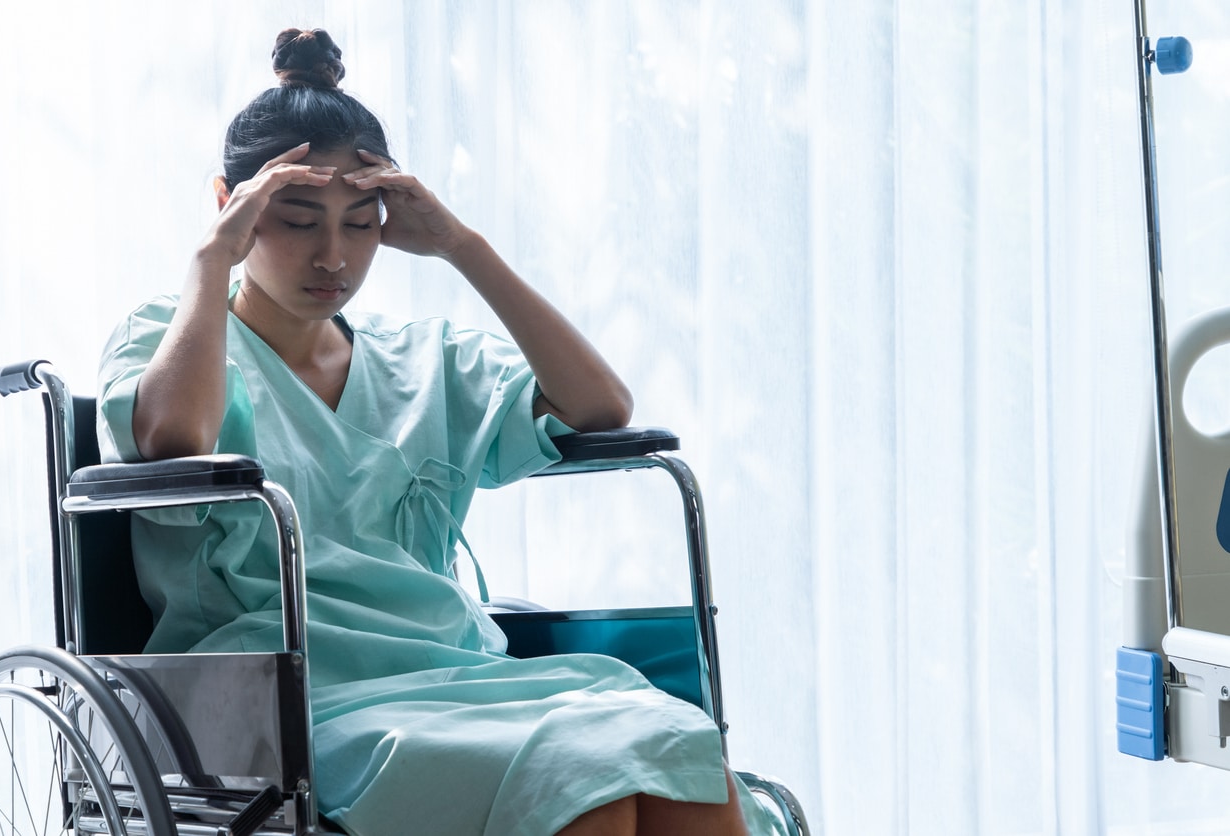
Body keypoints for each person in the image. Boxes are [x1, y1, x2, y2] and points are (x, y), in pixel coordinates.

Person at [97, 28, 777, 836]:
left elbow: (601, 408)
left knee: (665, 744)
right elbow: (174, 441)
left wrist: (463, 247)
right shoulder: (170, 338)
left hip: (454, 667)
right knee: (581, 780)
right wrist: (212, 260)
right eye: (299, 218)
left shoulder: (422, 360)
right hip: (284, 696)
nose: (333, 255)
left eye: (360, 223)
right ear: (233, 208)